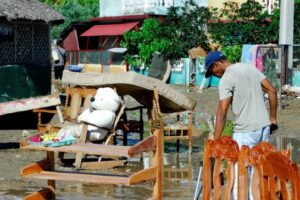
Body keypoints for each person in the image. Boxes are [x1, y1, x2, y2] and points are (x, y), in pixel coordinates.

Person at [204, 51, 278, 199]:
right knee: (259, 173)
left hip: (246, 132)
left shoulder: (226, 78)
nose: (214, 75)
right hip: (264, 128)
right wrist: (272, 118)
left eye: (212, 71)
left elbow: (222, 113)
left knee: (240, 176)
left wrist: (216, 142)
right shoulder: (249, 68)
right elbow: (272, 90)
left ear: (216, 64)